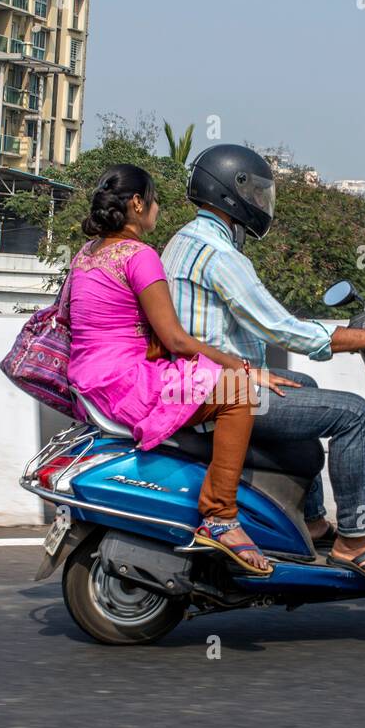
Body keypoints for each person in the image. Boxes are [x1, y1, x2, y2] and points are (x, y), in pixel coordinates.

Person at [160, 144, 365, 585]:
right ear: (230, 192)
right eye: (256, 193)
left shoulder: (184, 240)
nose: (261, 203)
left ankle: (312, 519)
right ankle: (354, 540)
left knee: (304, 383)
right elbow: (285, 331)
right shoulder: (220, 256)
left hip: (197, 380)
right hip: (218, 393)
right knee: (353, 413)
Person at [66, 164, 286, 575]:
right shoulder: (140, 256)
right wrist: (241, 367)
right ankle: (221, 516)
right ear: (136, 204)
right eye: (153, 201)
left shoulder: (85, 255)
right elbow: (177, 340)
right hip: (126, 383)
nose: (158, 209)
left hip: (87, 380)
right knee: (237, 393)